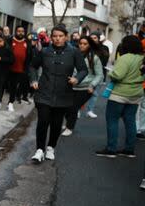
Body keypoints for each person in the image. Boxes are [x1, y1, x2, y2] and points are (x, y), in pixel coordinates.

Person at [29, 26, 88, 163]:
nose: (57, 38)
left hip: (63, 93)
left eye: (61, 36)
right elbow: (32, 66)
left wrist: (76, 79)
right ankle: (39, 150)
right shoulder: (44, 51)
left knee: (56, 124)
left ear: (66, 37)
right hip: (44, 92)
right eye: (55, 36)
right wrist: (33, 80)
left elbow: (83, 70)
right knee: (43, 121)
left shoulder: (74, 52)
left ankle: (51, 147)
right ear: (51, 37)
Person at [95, 35, 144, 158]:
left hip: (120, 93)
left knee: (112, 120)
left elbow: (118, 75)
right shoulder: (142, 59)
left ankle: (111, 149)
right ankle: (129, 150)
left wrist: (111, 71)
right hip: (136, 93)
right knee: (130, 121)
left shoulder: (124, 58)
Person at [61, 36, 104, 136]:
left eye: (85, 44)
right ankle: (69, 122)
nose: (82, 46)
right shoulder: (73, 54)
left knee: (73, 107)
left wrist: (92, 85)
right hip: (71, 86)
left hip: (85, 88)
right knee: (67, 107)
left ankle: (69, 127)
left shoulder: (94, 58)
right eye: (81, 43)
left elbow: (99, 75)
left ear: (89, 45)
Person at [7, 25, 33, 111]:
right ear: (15, 31)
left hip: (22, 68)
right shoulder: (10, 40)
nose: (20, 33)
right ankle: (7, 102)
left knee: (18, 86)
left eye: (22, 31)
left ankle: (12, 101)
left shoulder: (27, 42)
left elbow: (30, 54)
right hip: (10, 68)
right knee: (11, 86)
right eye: (19, 31)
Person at [85, 31, 110, 118]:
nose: (93, 39)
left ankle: (90, 110)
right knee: (81, 93)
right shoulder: (86, 46)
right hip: (87, 74)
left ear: (99, 39)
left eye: (95, 38)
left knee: (95, 94)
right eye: (91, 38)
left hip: (98, 74)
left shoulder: (104, 48)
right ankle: (77, 110)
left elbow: (105, 60)